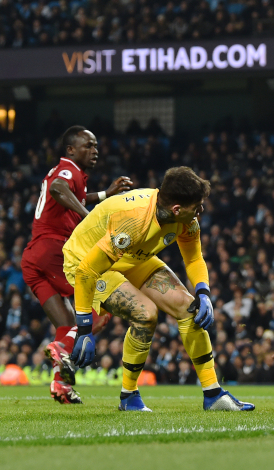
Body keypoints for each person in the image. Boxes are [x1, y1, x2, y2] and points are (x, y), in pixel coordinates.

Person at [62, 166, 254, 412]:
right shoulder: (133, 220)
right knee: (146, 313)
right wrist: (85, 328)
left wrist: (203, 292)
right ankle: (128, 396)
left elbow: (194, 259)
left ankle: (213, 395)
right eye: (196, 207)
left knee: (188, 308)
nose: (200, 211)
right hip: (85, 261)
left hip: (130, 256)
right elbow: (87, 271)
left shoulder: (186, 220)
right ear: (176, 209)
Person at [21, 125, 132, 404]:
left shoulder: (71, 173)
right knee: (99, 310)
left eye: (95, 146)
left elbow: (74, 196)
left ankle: (62, 387)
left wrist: (105, 195)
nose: (94, 151)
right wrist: (89, 218)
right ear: (71, 149)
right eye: (88, 145)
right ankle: (61, 349)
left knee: (68, 324)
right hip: (54, 249)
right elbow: (60, 189)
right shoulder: (67, 170)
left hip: (34, 258)